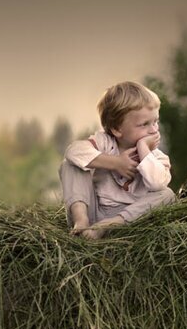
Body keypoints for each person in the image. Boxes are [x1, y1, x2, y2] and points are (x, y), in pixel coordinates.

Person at [60, 81, 177, 240]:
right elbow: (72, 151)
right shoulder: (104, 143)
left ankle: (110, 225)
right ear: (117, 129)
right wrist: (116, 163)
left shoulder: (156, 157)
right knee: (70, 165)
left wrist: (143, 148)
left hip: (130, 219)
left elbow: (157, 184)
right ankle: (81, 221)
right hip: (95, 214)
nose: (154, 129)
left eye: (155, 121)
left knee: (167, 195)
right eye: (144, 124)